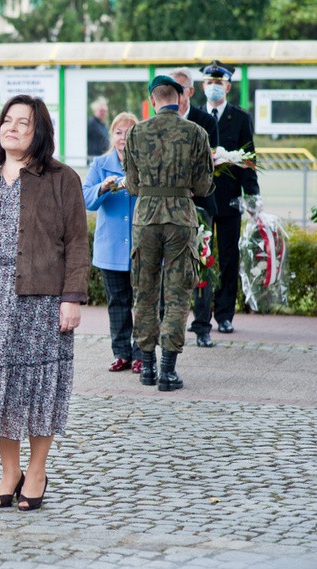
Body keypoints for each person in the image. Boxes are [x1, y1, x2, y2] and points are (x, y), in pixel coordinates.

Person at [0, 95, 89, 511]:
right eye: (6, 121)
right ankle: (9, 471)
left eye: (23, 123)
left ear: (40, 131)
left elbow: (76, 242)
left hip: (41, 302)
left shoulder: (61, 178)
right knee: (2, 390)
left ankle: (36, 471)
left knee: (37, 389)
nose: (11, 128)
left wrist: (72, 297)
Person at [123, 76, 214, 392]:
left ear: (152, 99)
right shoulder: (196, 133)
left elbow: (132, 185)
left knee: (144, 291)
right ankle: (167, 371)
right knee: (177, 294)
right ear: (179, 97)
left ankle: (146, 367)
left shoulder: (135, 132)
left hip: (145, 218)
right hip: (180, 218)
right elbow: (203, 187)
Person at [201, 60, 260, 336]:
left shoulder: (239, 118)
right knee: (201, 258)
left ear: (228, 85)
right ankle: (201, 315)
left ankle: (224, 315)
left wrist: (253, 197)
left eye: (219, 82)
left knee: (227, 258)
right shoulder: (197, 117)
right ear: (202, 86)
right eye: (209, 82)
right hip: (200, 200)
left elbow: (249, 159)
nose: (214, 87)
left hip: (228, 200)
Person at [82, 112, 142, 374]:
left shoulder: (146, 162)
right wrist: (103, 188)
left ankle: (142, 353)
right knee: (117, 302)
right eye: (119, 132)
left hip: (142, 246)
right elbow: (85, 198)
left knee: (143, 301)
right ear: (112, 135)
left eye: (130, 133)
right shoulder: (100, 164)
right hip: (112, 246)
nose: (123, 138)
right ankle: (121, 353)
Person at [169, 67, 219, 348]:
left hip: (199, 203)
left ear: (189, 92)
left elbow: (210, 162)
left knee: (203, 263)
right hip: (169, 206)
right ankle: (171, 322)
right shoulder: (162, 121)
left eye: (179, 90)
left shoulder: (204, 122)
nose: (174, 96)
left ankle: (202, 326)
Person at [87, 97, 109, 162]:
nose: (103, 113)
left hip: (102, 159)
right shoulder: (91, 123)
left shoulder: (104, 125)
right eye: (101, 111)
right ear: (95, 111)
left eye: (105, 111)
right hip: (92, 159)